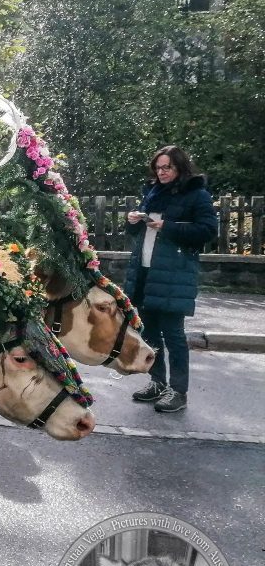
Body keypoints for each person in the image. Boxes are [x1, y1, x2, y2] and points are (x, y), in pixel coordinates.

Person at [124, 145, 217, 414]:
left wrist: (168, 226)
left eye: (167, 167)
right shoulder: (153, 193)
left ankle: (178, 391)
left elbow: (208, 231)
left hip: (174, 274)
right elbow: (137, 234)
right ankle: (157, 382)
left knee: (173, 334)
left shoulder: (196, 194)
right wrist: (132, 221)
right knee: (149, 332)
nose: (161, 172)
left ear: (180, 167)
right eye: (158, 168)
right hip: (145, 270)